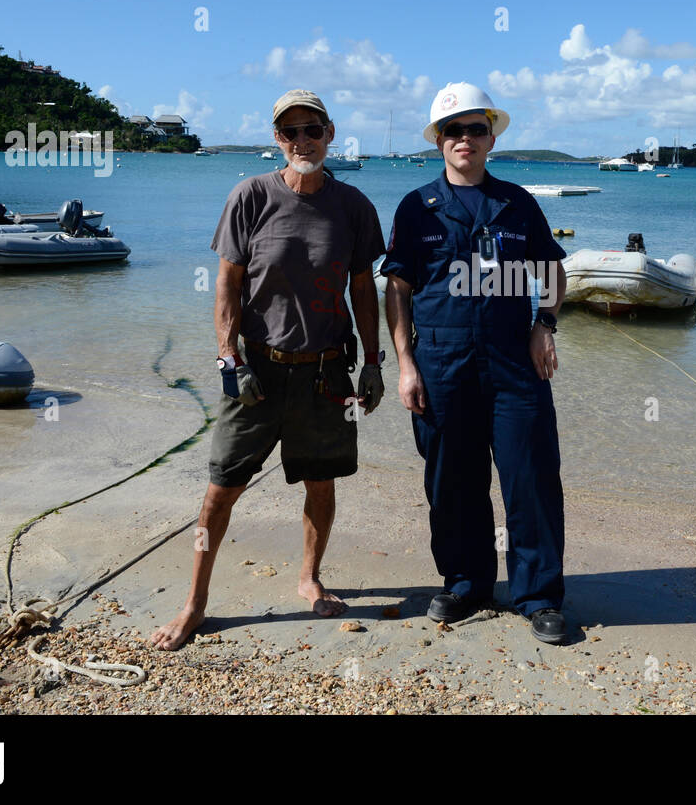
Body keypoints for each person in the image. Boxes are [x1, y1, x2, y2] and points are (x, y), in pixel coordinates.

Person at [151, 89, 385, 650]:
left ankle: (309, 577)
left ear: (330, 133)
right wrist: (227, 355)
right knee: (219, 491)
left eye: (312, 130)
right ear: (276, 140)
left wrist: (375, 362)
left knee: (321, 483)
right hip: (256, 370)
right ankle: (195, 604)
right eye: (290, 132)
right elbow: (228, 284)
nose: (302, 141)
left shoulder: (354, 206)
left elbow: (362, 289)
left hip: (326, 373)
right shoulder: (250, 195)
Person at [382, 82, 570, 645]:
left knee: (530, 479)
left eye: (476, 129)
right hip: (442, 363)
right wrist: (405, 363)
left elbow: (553, 272)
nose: (465, 139)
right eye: (453, 130)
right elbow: (397, 288)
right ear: (438, 141)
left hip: (515, 365)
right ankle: (466, 584)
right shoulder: (417, 208)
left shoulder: (518, 204)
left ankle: (538, 595)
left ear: (491, 138)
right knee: (452, 483)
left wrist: (545, 324)